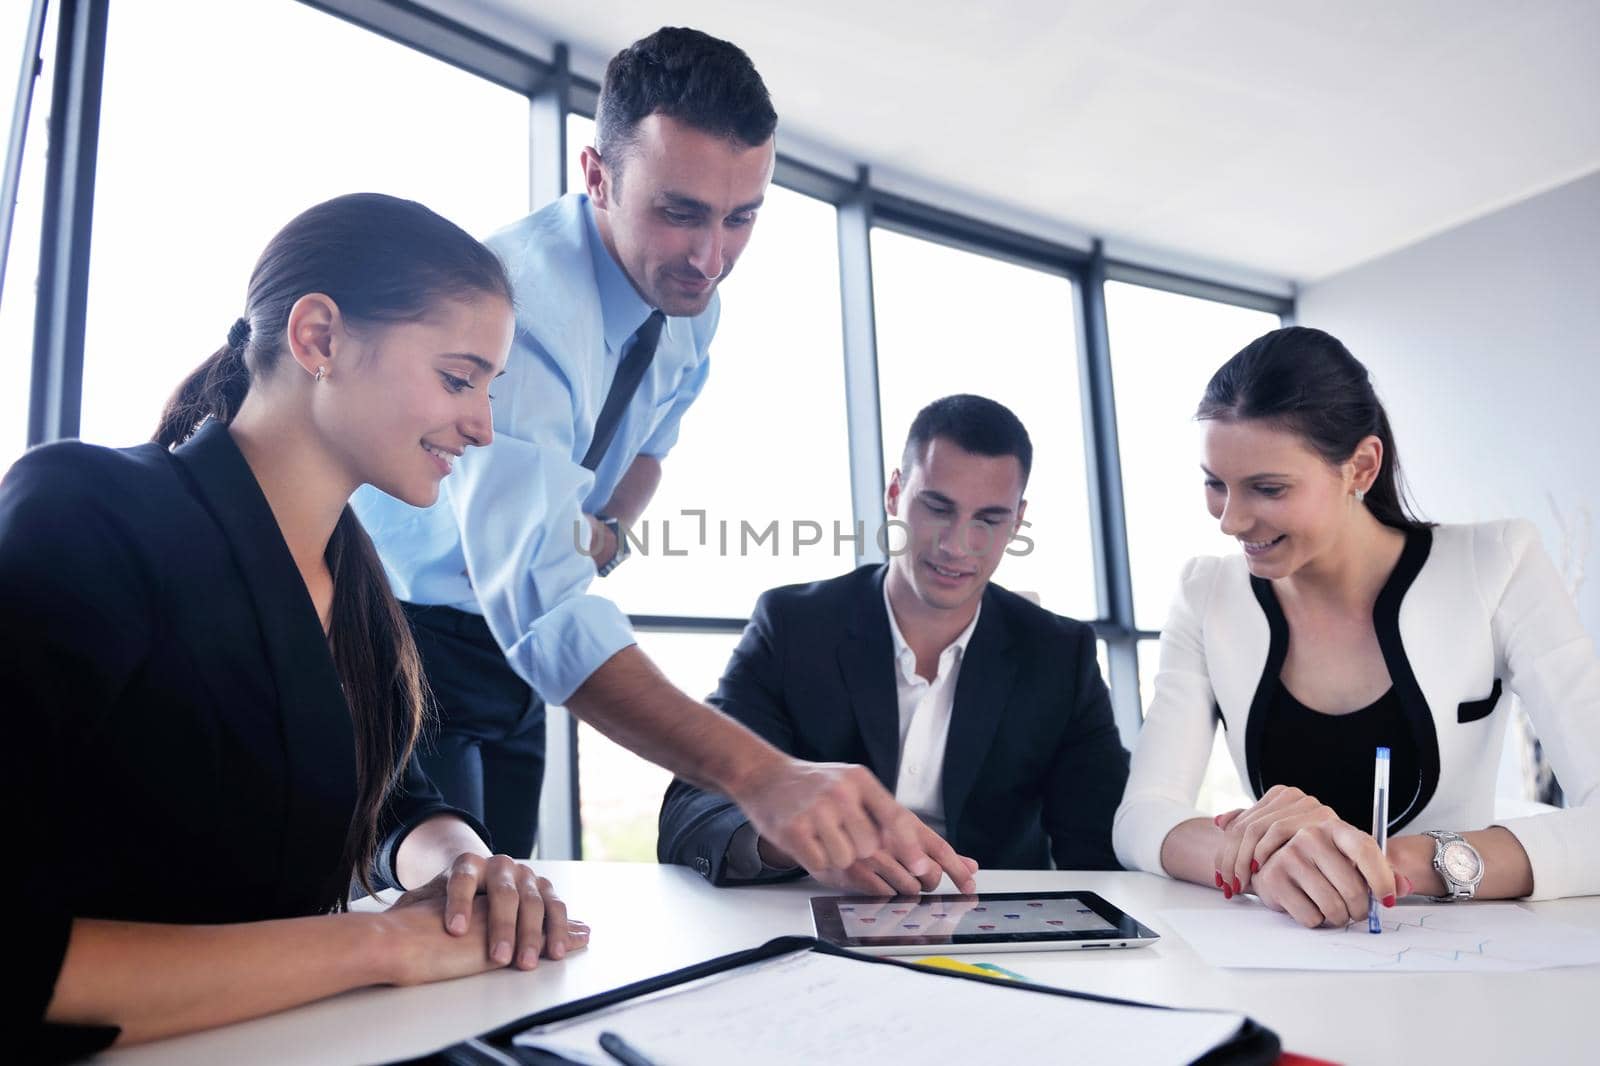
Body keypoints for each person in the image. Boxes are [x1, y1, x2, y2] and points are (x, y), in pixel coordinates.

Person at [354, 27, 972, 889]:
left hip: (515, 657)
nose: (709, 256)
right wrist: (762, 774)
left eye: (741, 216)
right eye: (678, 211)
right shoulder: (518, 313)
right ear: (597, 175)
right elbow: (542, 608)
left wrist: (607, 530)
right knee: (445, 902)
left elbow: (650, 443)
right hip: (405, 628)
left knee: (511, 899)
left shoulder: (688, 300)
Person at [4, 194, 588, 1060]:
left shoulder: (358, 593)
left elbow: (374, 793)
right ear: (318, 338)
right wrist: (381, 944)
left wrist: (464, 866)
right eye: (459, 379)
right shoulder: (88, 510)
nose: (483, 426)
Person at [1112, 326, 1600, 927]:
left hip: (1451, 958)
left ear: (1362, 466)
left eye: (1268, 488)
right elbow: (1141, 818)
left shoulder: (1497, 563)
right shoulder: (1205, 593)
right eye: (1216, 483)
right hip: (1279, 956)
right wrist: (1267, 860)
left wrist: (1394, 864)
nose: (1231, 520)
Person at [660, 395, 1130, 892]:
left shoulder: (1060, 654)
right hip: (817, 914)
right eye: (937, 508)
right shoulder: (795, 626)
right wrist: (796, 840)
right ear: (894, 494)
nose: (956, 545)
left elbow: (1104, 844)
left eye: (988, 520)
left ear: (1016, 522)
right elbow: (692, 809)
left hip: (993, 926)